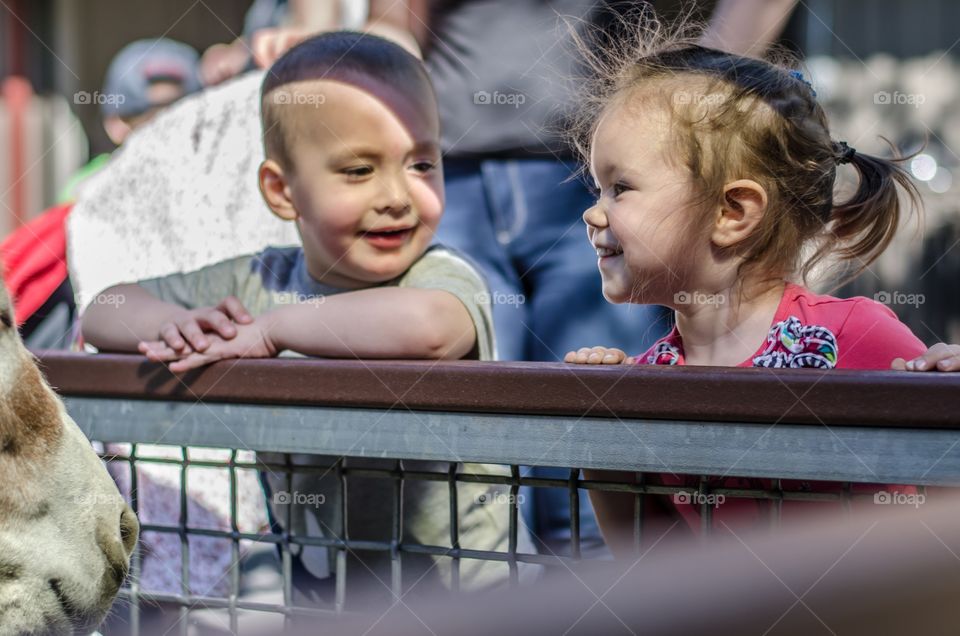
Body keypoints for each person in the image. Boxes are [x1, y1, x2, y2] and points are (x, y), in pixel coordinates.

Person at [81, 31, 534, 604]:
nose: (398, 195)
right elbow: (105, 306)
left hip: (469, 598)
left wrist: (272, 330)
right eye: (357, 170)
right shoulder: (260, 280)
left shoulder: (439, 274)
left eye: (421, 163)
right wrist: (174, 323)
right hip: (326, 597)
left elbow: (432, 328)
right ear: (281, 190)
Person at [560, 24, 941, 554]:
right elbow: (647, 563)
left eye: (620, 188)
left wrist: (945, 384)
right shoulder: (648, 379)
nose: (592, 211)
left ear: (732, 212)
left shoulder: (855, 337)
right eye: (598, 187)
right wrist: (602, 434)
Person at [0, 38, 201, 350]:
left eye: (185, 118)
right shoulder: (89, 195)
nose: (171, 133)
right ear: (116, 124)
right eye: (153, 120)